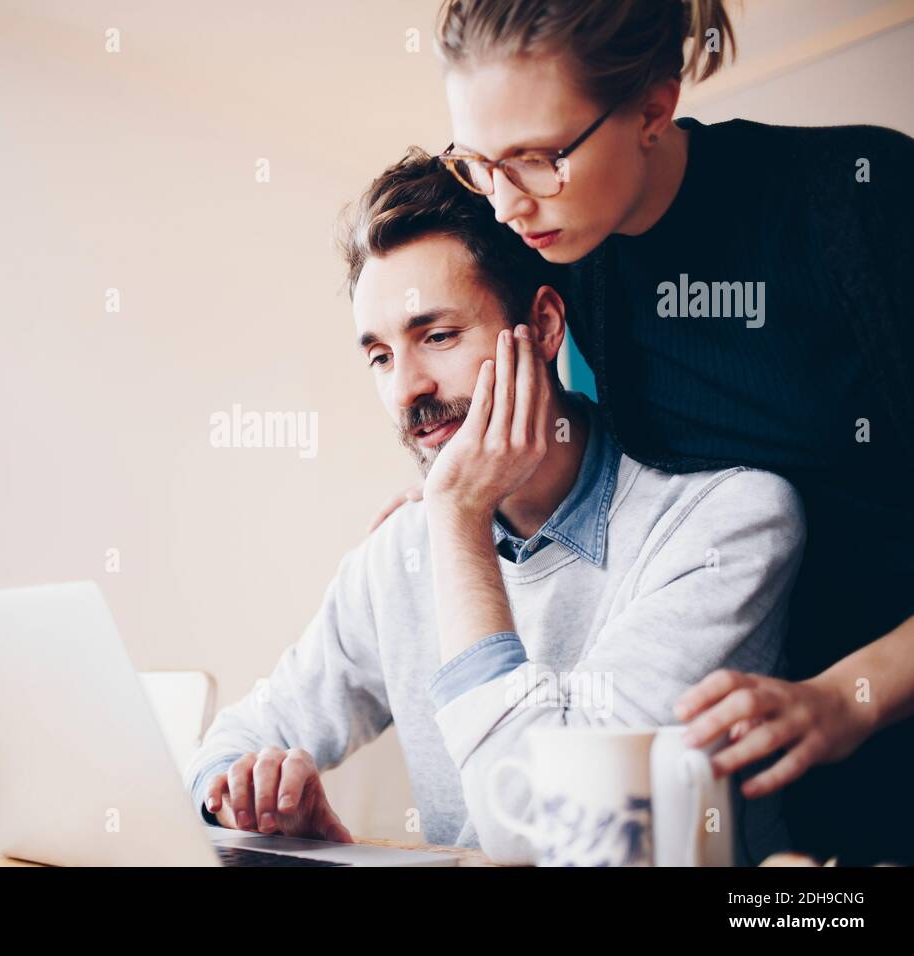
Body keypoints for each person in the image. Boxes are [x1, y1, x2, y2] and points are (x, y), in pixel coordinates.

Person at [372, 0, 914, 864]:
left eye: (539, 158)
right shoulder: (569, 255)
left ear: (654, 109)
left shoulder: (859, 201)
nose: (507, 204)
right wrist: (465, 482)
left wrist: (847, 698)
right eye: (478, 161)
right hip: (756, 756)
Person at [182, 148, 804, 864]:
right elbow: (234, 740)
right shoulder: (400, 552)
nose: (406, 389)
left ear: (542, 327)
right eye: (380, 355)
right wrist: (245, 797)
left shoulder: (725, 524)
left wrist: (457, 520)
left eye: (437, 336)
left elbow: (562, 832)